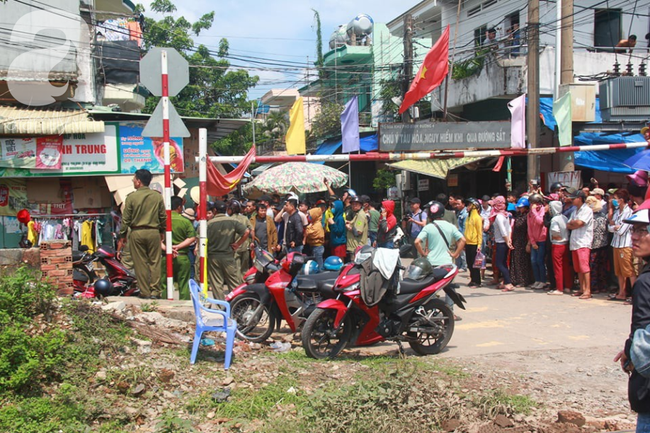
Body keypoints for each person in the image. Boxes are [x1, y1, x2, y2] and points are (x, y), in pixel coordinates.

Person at [614, 200, 650, 431]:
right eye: (634, 230)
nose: (634, 237)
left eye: (643, 231)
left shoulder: (645, 282)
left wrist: (632, 352)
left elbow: (642, 330)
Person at [117, 169, 166, 299]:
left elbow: (126, 219)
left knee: (140, 263)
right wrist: (162, 232)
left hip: (136, 232)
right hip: (153, 232)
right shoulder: (157, 196)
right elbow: (163, 217)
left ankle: (145, 291)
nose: (133, 181)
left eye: (134, 179)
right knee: (155, 262)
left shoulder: (132, 197)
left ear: (138, 181)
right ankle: (156, 291)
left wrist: (122, 235)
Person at [415, 201, 466, 320]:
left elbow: (417, 241)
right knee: (449, 288)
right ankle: (450, 312)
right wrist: (455, 254)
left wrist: (423, 253)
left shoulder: (428, 227)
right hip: (447, 263)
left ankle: (432, 311)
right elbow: (462, 240)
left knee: (431, 288)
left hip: (432, 263)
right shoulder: (450, 226)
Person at [206, 200, 250, 300]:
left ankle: (222, 307)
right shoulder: (232, 221)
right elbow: (247, 231)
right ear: (226, 209)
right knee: (234, 283)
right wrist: (237, 244)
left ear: (214, 210)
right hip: (228, 255)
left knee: (217, 284)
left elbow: (202, 239)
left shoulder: (209, 224)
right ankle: (237, 305)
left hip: (213, 257)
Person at [162, 196, 197, 300]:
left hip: (166, 257)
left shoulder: (163, 221)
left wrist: (167, 248)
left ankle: (165, 305)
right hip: (182, 257)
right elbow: (192, 237)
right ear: (179, 207)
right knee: (184, 284)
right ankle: (184, 305)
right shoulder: (185, 221)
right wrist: (178, 246)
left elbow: (158, 239)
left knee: (165, 285)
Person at [609, 189, 636, 301]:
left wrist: (615, 226)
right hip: (616, 244)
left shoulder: (628, 212)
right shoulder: (616, 212)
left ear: (621, 200)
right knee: (619, 271)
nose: (613, 201)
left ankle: (635, 295)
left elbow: (622, 230)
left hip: (625, 245)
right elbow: (610, 228)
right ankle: (622, 292)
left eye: (615, 198)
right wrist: (615, 226)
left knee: (629, 271)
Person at [567, 190, 594, 300]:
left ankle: (588, 290)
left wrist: (574, 223)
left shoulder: (587, 210)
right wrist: (574, 223)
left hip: (583, 241)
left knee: (584, 267)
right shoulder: (574, 211)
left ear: (580, 198)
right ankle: (582, 288)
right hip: (575, 241)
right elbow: (568, 225)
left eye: (574, 199)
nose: (572, 201)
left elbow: (580, 223)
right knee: (578, 268)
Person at [547, 201, 572, 295]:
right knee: (565, 266)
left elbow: (555, 231)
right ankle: (567, 286)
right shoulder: (564, 217)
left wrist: (556, 237)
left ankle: (559, 288)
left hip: (557, 244)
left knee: (558, 267)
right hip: (565, 243)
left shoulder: (554, 219)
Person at [490, 196, 514, 292]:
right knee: (503, 263)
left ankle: (508, 283)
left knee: (499, 263)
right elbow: (509, 229)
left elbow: (503, 230)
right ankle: (505, 282)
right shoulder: (505, 215)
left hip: (501, 242)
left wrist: (507, 241)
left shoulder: (499, 216)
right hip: (504, 241)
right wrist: (509, 240)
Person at [586, 196, 609, 294]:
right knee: (601, 266)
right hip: (603, 244)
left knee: (594, 267)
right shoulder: (603, 215)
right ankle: (602, 286)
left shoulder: (592, 217)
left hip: (594, 245)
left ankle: (594, 287)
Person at [511, 196, 533, 288]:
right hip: (516, 240)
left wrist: (528, 242)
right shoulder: (518, 215)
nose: (519, 209)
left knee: (522, 261)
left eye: (521, 207)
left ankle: (523, 280)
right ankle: (515, 279)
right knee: (515, 260)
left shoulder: (527, 216)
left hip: (523, 240)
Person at [528, 194, 548, 289]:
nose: (532, 205)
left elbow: (540, 222)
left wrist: (534, 212)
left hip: (542, 239)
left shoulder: (542, 210)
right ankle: (537, 280)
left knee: (540, 261)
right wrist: (532, 242)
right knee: (533, 261)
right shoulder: (530, 214)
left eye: (533, 203)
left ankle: (543, 280)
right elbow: (529, 228)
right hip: (534, 241)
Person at [229, 200, 253, 279]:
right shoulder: (245, 218)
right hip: (245, 247)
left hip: (234, 247)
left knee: (236, 268)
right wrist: (252, 242)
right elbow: (252, 230)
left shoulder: (229, 219)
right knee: (245, 268)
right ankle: (244, 284)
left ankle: (238, 286)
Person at [464, 198, 483, 287]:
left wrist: (479, 244)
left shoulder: (477, 218)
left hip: (474, 243)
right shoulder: (468, 217)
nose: (467, 207)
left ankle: (477, 281)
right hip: (468, 243)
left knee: (475, 264)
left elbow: (479, 232)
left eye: (469, 205)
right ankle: (472, 279)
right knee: (469, 263)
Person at [345, 196, 368, 261]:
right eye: (352, 204)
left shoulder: (360, 215)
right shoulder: (357, 214)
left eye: (356, 204)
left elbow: (358, 232)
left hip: (356, 247)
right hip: (355, 247)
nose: (354, 206)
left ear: (360, 205)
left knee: (355, 267)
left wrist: (349, 227)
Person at [305, 202, 326, 270]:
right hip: (314, 245)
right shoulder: (314, 223)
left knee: (319, 261)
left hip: (318, 246)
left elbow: (309, 233)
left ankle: (321, 272)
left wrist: (308, 227)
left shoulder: (317, 225)